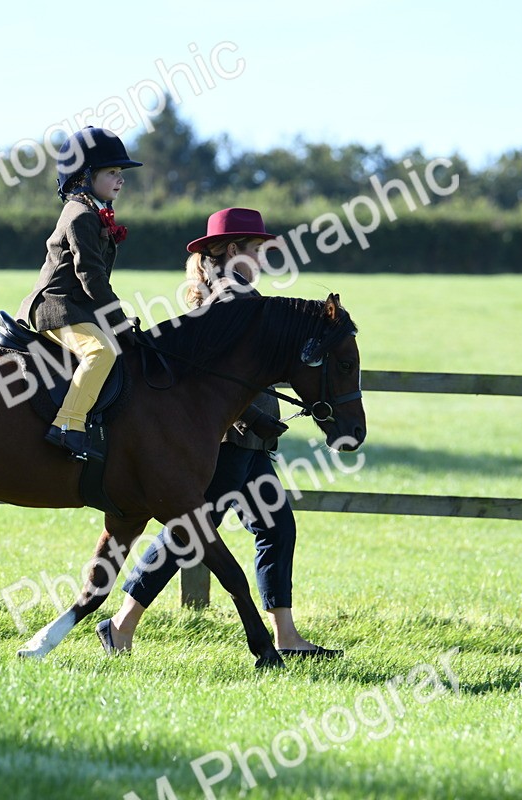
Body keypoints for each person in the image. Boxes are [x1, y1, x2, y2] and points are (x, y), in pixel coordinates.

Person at [95, 207, 342, 658]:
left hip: (252, 447)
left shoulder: (244, 297)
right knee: (188, 535)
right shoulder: (230, 305)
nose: (265, 257)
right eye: (257, 249)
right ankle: (120, 624)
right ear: (232, 252)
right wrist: (251, 420)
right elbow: (213, 385)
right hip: (225, 447)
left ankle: (286, 637)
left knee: (276, 527)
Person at [17, 127, 142, 458]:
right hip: (56, 308)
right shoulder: (81, 214)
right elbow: (91, 277)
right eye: (113, 172)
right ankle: (67, 426)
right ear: (85, 176)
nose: (121, 179)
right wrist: (118, 322)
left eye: (121, 173)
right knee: (101, 351)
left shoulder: (93, 211)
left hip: (75, 308)